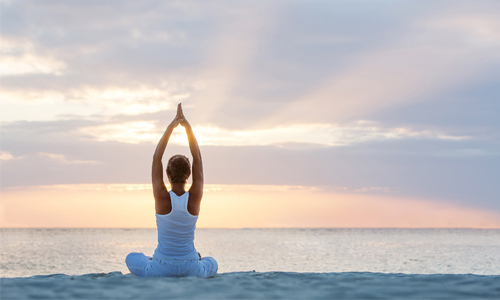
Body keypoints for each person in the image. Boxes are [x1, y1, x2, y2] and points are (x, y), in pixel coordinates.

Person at [125, 103, 218, 278]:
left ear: (167, 174)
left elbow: (156, 157)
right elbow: (197, 156)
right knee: (212, 263)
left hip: (161, 266)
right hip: (191, 266)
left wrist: (171, 126)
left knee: (131, 257)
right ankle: (195, 259)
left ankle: (151, 260)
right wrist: (187, 127)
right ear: (189, 174)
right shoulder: (195, 197)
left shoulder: (161, 197)